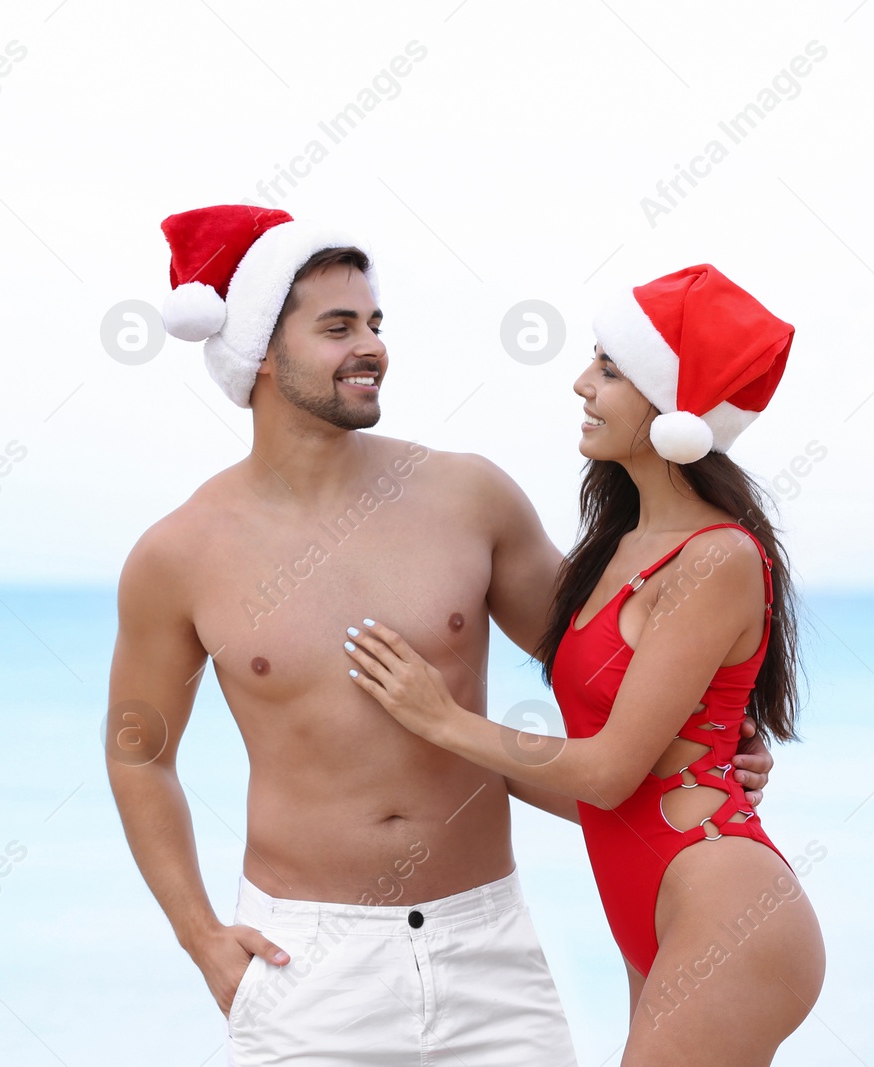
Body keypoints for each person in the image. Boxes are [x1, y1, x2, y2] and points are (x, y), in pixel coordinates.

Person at [107, 208, 777, 1066]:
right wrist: (200, 935)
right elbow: (138, 752)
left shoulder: (467, 498)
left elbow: (610, 669)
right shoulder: (180, 553)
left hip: (487, 948)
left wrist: (716, 744)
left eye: (376, 323)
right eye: (338, 326)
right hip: (307, 963)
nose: (372, 346)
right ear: (260, 351)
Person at [346, 264, 826, 1064]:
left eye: (609, 367)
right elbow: (613, 795)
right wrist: (426, 748)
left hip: (727, 903)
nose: (581, 383)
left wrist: (447, 719)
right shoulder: (619, 550)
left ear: (673, 405)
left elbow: (605, 772)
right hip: (659, 908)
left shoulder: (718, 559)